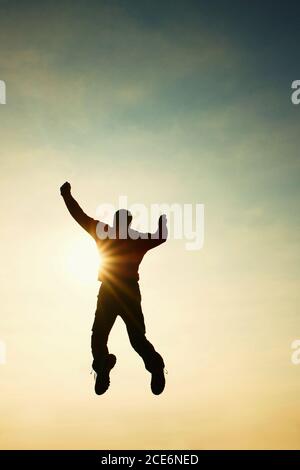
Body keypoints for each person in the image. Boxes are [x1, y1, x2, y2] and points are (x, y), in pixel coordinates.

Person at [60, 182, 167, 395]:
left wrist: (66, 195)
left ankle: (104, 365)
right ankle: (150, 366)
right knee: (135, 339)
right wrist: (162, 222)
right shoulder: (137, 238)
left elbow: (79, 215)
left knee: (100, 336)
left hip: (110, 290)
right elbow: (161, 236)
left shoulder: (104, 232)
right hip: (127, 292)